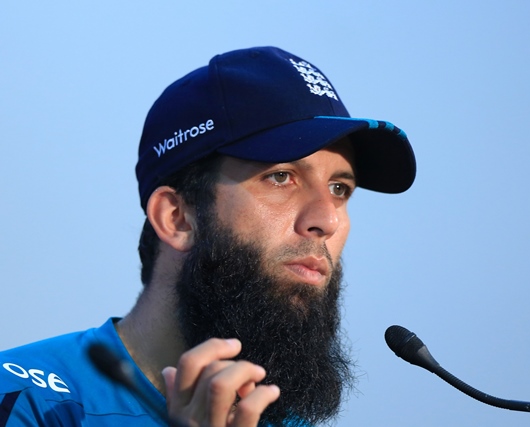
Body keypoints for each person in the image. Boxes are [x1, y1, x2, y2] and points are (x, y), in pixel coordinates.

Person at [0, 46, 416, 427]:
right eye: (281, 177)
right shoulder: (25, 399)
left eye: (340, 189)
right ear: (178, 218)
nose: (327, 219)